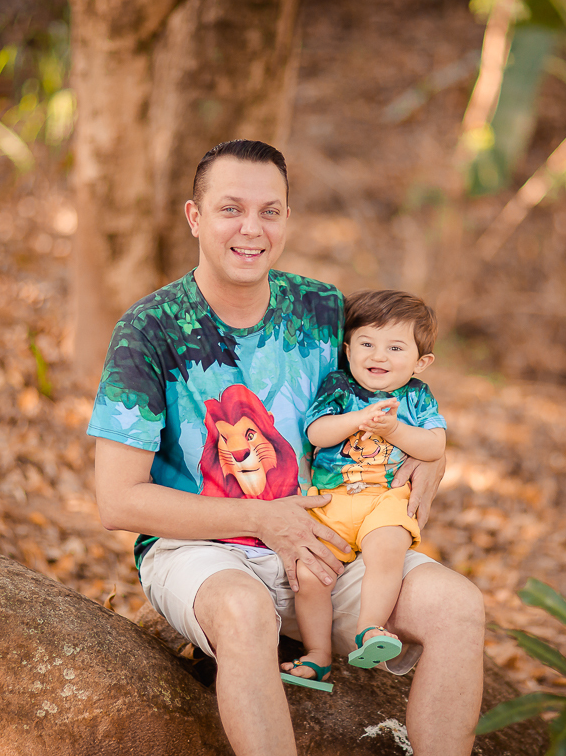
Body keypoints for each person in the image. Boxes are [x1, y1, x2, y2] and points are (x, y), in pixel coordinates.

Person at [88, 139, 484, 756]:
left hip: (330, 543)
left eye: (270, 211)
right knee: (245, 614)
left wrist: (430, 461)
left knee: (457, 605)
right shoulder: (149, 331)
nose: (252, 229)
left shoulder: (322, 309)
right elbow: (117, 502)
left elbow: (397, 391)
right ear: (194, 217)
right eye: (231, 209)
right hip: (202, 552)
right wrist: (260, 517)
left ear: (287, 219)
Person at [280, 290, 446, 691]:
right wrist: (357, 419)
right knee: (310, 573)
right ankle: (318, 656)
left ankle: (371, 629)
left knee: (387, 549)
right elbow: (317, 432)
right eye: (367, 343)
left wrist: (396, 431)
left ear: (420, 362)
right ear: (348, 348)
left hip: (385, 499)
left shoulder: (417, 397)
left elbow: (434, 446)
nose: (379, 356)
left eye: (395, 347)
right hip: (331, 499)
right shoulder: (338, 386)